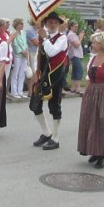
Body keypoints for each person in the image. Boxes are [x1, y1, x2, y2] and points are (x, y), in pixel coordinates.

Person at [77, 31, 104, 169]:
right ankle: (93, 151)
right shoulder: (92, 59)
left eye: (94, 42)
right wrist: (86, 94)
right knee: (90, 123)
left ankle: (102, 155)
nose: (92, 44)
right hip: (92, 94)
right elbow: (89, 79)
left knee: (102, 125)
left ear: (102, 44)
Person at [30, 11, 68, 150]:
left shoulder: (62, 38)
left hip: (55, 76)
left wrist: (45, 39)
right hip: (42, 75)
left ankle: (56, 138)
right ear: (46, 23)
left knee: (54, 107)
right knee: (35, 105)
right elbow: (37, 57)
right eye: (50, 22)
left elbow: (52, 52)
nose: (52, 24)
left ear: (58, 24)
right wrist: (35, 71)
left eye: (55, 22)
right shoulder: (42, 38)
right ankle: (46, 132)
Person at [9, 18, 29, 99]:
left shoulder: (23, 33)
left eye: (22, 24)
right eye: (21, 24)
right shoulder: (13, 33)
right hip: (17, 55)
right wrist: (21, 51)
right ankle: (14, 92)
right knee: (15, 73)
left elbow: (25, 43)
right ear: (17, 25)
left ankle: (20, 91)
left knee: (22, 74)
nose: (22, 25)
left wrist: (26, 51)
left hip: (24, 55)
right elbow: (15, 44)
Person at [66, 20, 84, 96]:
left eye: (77, 26)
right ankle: (78, 88)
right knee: (79, 70)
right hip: (74, 55)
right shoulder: (71, 35)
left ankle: (73, 87)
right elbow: (76, 44)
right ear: (71, 27)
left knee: (75, 71)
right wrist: (80, 37)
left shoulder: (73, 34)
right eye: (75, 26)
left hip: (77, 54)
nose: (77, 28)